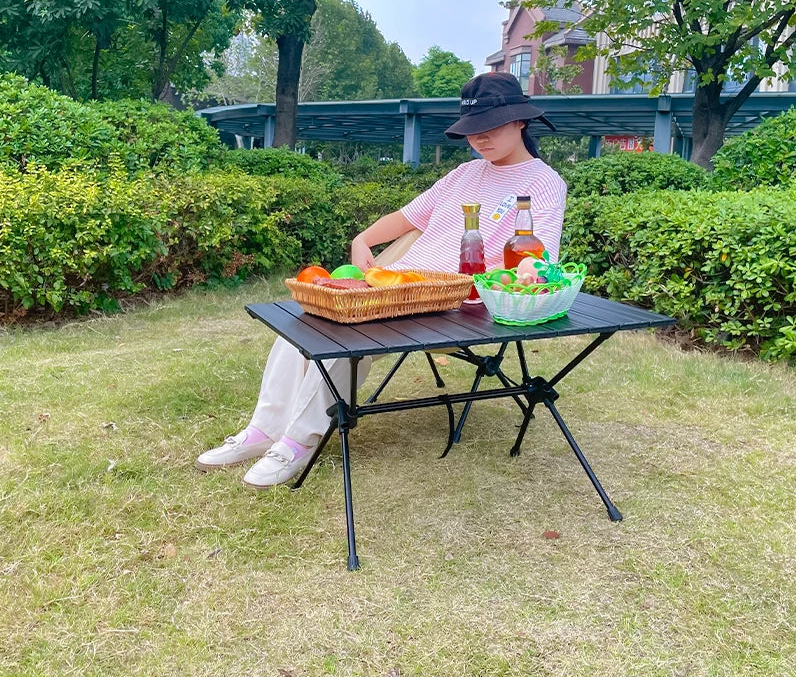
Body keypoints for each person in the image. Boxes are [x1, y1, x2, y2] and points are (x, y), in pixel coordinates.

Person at [195, 72, 567, 488]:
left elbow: (538, 260)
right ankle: (264, 430)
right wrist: (363, 239)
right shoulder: (465, 174)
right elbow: (407, 217)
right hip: (398, 288)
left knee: (346, 337)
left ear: (521, 120)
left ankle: (298, 442)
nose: (480, 137)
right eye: (472, 128)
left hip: (457, 301)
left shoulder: (543, 183)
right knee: (306, 322)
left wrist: (527, 270)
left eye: (491, 126)